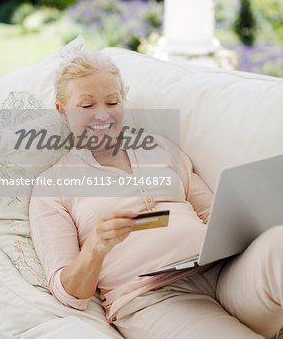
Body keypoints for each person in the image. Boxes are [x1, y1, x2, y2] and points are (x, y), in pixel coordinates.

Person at [29, 51, 283, 339]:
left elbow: (213, 214)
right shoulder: (52, 186)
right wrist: (95, 248)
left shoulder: (160, 148)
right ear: (62, 111)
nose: (102, 114)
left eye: (112, 102)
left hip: (222, 273)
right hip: (154, 299)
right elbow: (69, 292)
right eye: (87, 105)